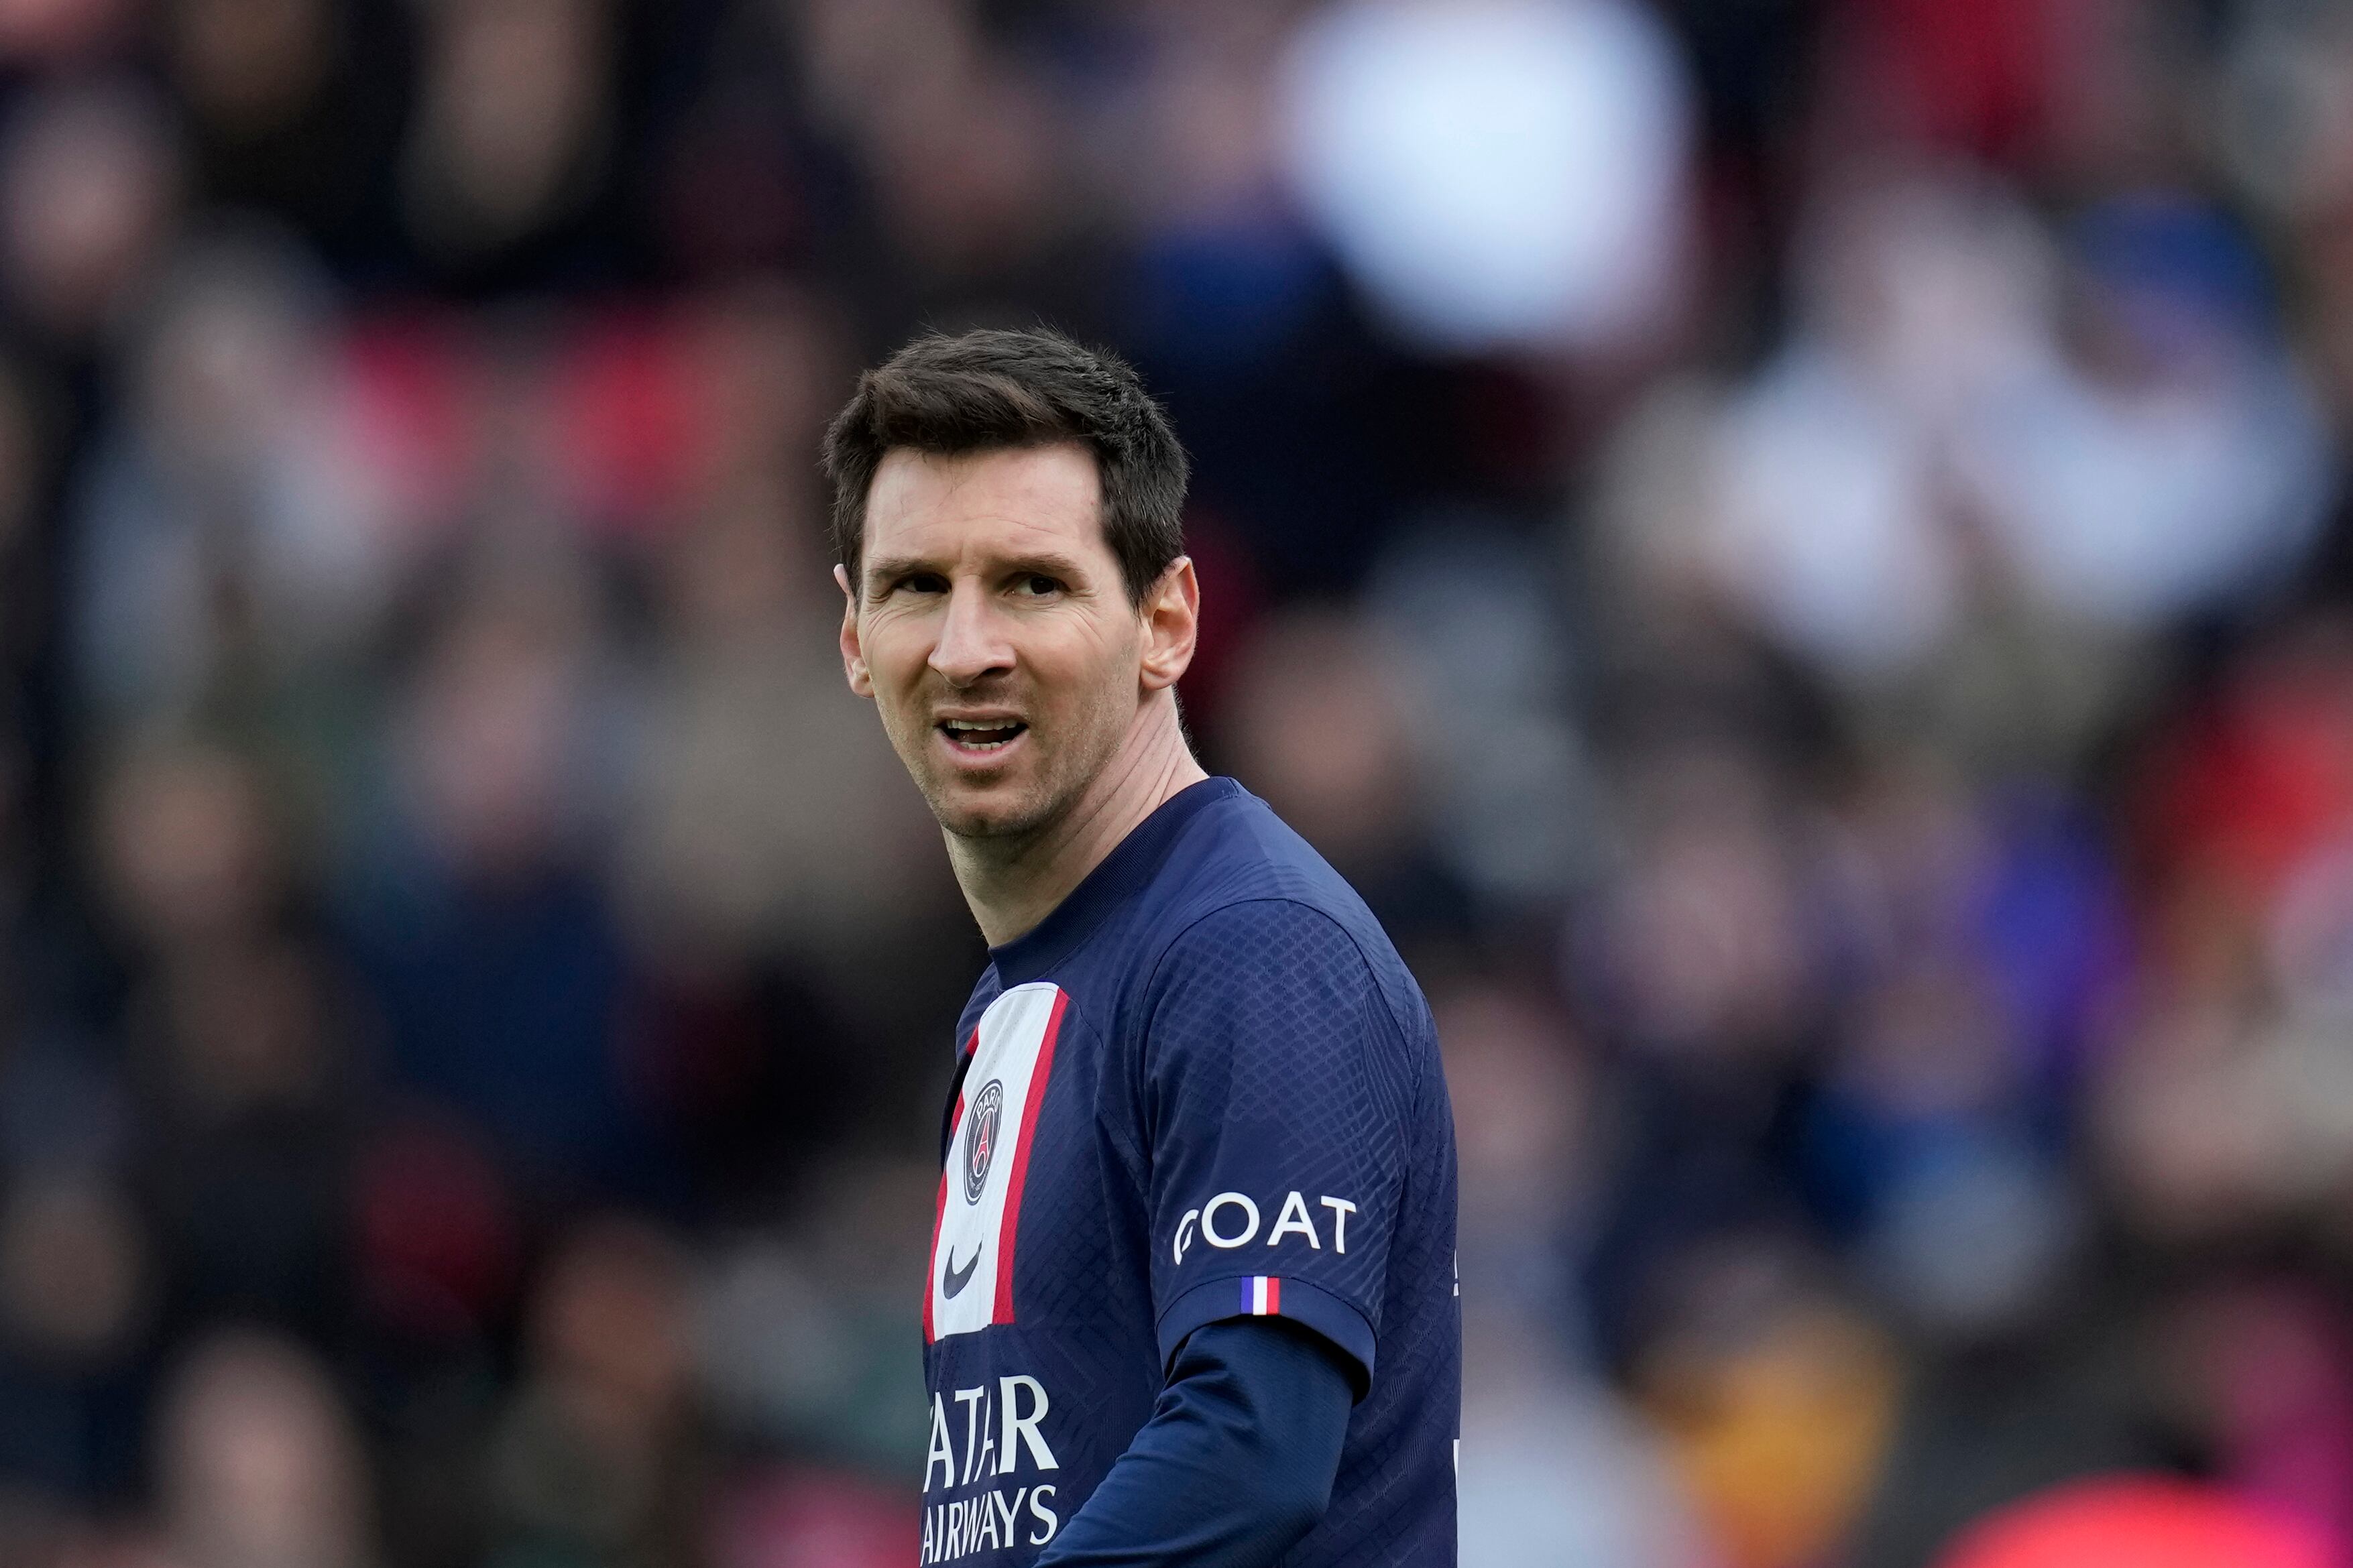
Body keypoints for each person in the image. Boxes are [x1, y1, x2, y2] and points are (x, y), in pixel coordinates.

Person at [823, 327, 1459, 1566]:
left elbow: (1253, 1445)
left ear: (1165, 623)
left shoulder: (1249, 948)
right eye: (915, 587)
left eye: (1031, 583)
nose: (965, 649)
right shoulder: (1030, 989)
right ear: (853, 639)